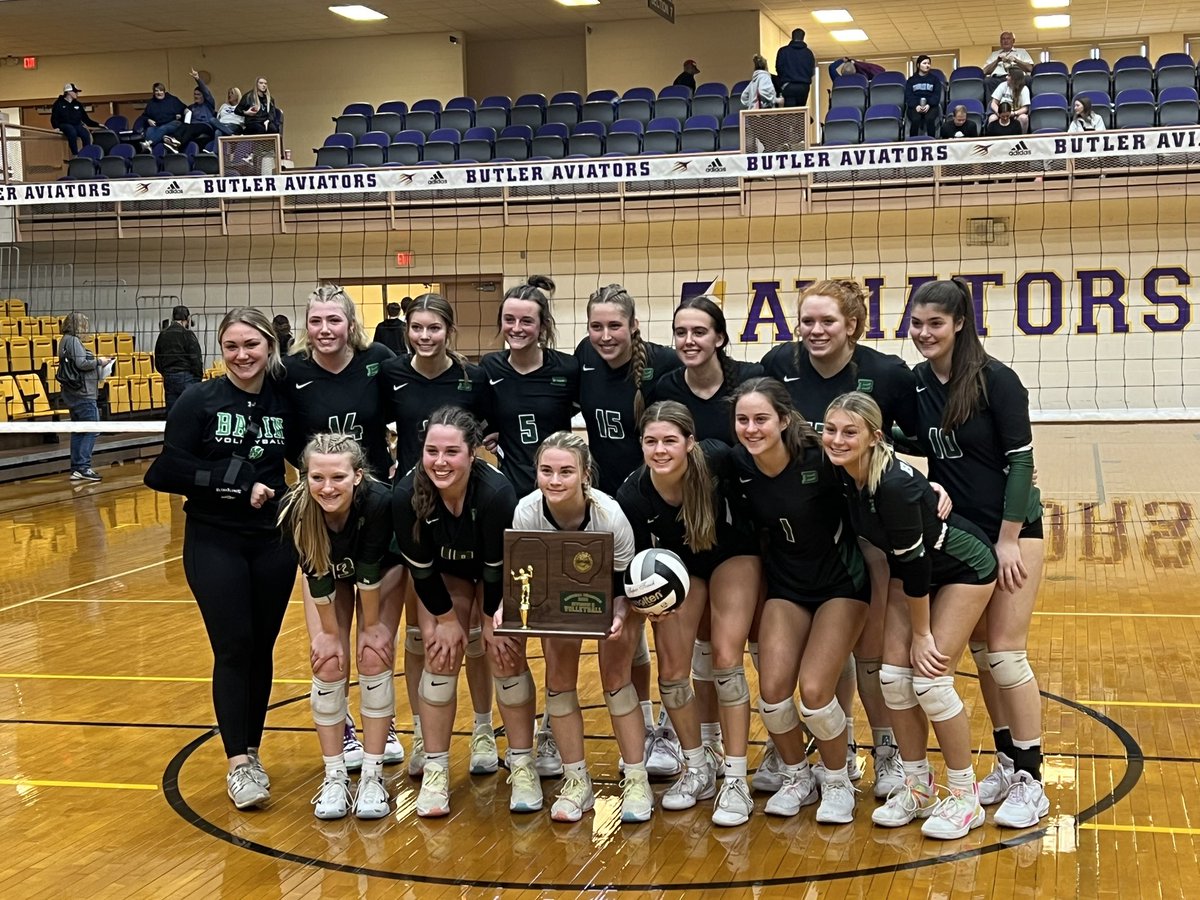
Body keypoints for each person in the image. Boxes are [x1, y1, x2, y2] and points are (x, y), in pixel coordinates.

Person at [760, 279, 917, 798]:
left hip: (867, 530)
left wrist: (927, 482)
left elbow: (919, 439)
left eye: (827, 321)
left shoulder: (887, 373)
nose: (815, 330)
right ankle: (840, 748)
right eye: (807, 320)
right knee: (830, 659)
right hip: (808, 531)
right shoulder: (779, 365)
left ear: (851, 325)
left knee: (870, 653)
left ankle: (888, 750)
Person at [823, 392, 998, 839]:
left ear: (875, 438)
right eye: (831, 430)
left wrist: (922, 634)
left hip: (963, 567)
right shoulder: (841, 468)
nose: (837, 440)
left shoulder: (894, 487)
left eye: (850, 432)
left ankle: (965, 797)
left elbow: (918, 567)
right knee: (893, 681)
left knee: (932, 682)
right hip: (913, 570)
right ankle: (917, 786)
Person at [907, 278, 1048, 830]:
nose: (923, 334)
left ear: (960, 323)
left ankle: (1033, 780)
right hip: (963, 537)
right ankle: (1008, 762)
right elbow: (922, 438)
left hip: (1012, 532)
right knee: (986, 656)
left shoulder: (998, 381)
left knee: (1008, 655)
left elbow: (1019, 462)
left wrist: (1009, 537)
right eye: (916, 324)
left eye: (934, 324)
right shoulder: (920, 383)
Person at [143, 307, 296, 810]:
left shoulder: (284, 397)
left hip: (273, 539)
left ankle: (253, 751)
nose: (242, 355)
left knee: (263, 647)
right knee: (234, 645)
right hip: (214, 538)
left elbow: (310, 451)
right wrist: (232, 480)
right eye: (232, 345)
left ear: (269, 346)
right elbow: (164, 470)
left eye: (251, 344)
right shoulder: (200, 398)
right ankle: (237, 764)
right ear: (220, 349)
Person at [729, 377, 868, 824]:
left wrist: (934, 491)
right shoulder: (738, 465)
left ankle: (836, 781)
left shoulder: (821, 461)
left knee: (812, 693)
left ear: (784, 420)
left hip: (839, 586)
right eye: (742, 420)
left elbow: (875, 477)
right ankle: (797, 776)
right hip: (787, 587)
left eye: (761, 419)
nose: (751, 429)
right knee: (772, 694)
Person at [617, 402, 762, 826]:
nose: (660, 450)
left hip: (734, 556)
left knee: (725, 660)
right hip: (679, 572)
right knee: (673, 673)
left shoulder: (718, 460)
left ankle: (735, 779)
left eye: (669, 441)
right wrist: (647, 602)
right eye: (651, 441)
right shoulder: (634, 493)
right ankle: (698, 766)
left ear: (689, 443)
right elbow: (636, 559)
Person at [280, 286, 402, 768]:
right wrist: (323, 483)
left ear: (351, 324)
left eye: (335, 320)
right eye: (316, 321)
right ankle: (344, 731)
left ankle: (380, 723)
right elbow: (282, 436)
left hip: (372, 510)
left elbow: (410, 411)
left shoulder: (379, 361)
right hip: (322, 516)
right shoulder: (291, 373)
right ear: (306, 327)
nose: (325, 329)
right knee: (328, 647)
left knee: (374, 645)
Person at [392, 406, 529, 817]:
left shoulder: (497, 494)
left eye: (452, 451)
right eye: (432, 450)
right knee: (441, 652)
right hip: (445, 573)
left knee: (505, 652)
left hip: (498, 572)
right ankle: (435, 770)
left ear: (473, 454)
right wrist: (448, 621)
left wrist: (491, 622)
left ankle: (520, 763)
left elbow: (496, 570)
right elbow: (423, 572)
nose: (440, 461)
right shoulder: (406, 495)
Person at [381, 293, 493, 779]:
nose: (424, 336)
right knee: (419, 636)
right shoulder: (391, 374)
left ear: (450, 331)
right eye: (417, 327)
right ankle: (422, 737)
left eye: (434, 328)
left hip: (466, 509)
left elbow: (488, 434)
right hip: (415, 508)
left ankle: (485, 729)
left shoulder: (473, 378)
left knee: (477, 634)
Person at [511, 431, 647, 823]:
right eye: (546, 471)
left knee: (616, 678)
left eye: (566, 472)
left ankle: (635, 779)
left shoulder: (610, 515)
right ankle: (577, 781)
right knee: (559, 679)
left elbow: (624, 585)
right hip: (558, 594)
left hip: (610, 595)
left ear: (585, 474)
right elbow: (528, 579)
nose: (555, 480)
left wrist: (620, 616)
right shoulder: (527, 511)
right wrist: (512, 611)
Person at [575, 284, 681, 774]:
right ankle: (642, 728)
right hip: (604, 515)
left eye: (614, 325)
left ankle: (680, 732)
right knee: (623, 628)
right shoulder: (584, 360)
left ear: (634, 326)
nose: (604, 335)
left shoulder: (661, 364)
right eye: (596, 326)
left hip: (654, 507)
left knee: (669, 621)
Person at [278, 432, 405, 820]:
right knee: (328, 662)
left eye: (337, 478)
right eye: (317, 478)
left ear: (358, 476)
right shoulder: (296, 509)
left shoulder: (381, 502)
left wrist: (372, 629)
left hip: (383, 568)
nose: (327, 487)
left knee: (371, 656)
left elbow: (368, 571)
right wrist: (330, 635)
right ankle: (334, 775)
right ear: (305, 478)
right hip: (330, 572)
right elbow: (317, 572)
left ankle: (372, 775)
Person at [480, 279, 578, 498]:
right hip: (511, 485)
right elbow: (482, 411)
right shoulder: (490, 367)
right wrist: (492, 430)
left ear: (543, 325)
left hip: (559, 484)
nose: (516, 328)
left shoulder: (567, 368)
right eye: (509, 320)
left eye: (526, 321)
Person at [650, 295, 763, 445]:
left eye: (699, 332)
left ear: (719, 339)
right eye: (681, 333)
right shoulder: (667, 388)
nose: (689, 341)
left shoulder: (751, 379)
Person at [59, 312, 112, 482]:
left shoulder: (65, 340)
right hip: (83, 393)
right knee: (91, 429)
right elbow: (81, 364)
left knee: (79, 431)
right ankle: (83, 467)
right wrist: (100, 362)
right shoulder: (73, 341)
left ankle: (77, 468)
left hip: (74, 393)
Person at [154, 304, 203, 413]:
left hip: (168, 377)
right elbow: (196, 358)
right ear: (188, 319)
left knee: (172, 412)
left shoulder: (163, 334)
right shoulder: (187, 334)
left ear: (173, 317)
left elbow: (157, 358)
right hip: (186, 377)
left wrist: (165, 373)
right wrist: (198, 378)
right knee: (189, 411)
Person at [164, 69, 219, 151]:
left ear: (203, 96)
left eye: (198, 94)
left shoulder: (209, 104)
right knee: (184, 126)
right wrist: (181, 114)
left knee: (190, 129)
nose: (196, 96)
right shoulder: (191, 107)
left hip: (206, 126)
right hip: (192, 126)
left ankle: (177, 144)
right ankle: (174, 141)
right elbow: (185, 120)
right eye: (195, 94)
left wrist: (197, 79)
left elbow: (206, 92)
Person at [50, 83, 99, 157]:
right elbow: (54, 117)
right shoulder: (58, 103)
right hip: (64, 124)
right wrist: (56, 127)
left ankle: (86, 154)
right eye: (75, 92)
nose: (77, 94)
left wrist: (97, 124)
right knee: (71, 131)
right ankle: (75, 154)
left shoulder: (78, 104)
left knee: (85, 133)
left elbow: (85, 119)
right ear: (69, 92)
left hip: (76, 124)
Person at [775, 29, 816, 108]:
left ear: (792, 37)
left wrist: (784, 79)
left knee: (790, 113)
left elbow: (778, 68)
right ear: (803, 38)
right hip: (804, 87)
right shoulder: (808, 53)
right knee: (800, 112)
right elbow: (812, 71)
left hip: (788, 86)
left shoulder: (783, 51)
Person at [905, 55, 943, 138]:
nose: (927, 65)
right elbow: (909, 96)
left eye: (929, 63)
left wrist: (929, 104)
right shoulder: (911, 80)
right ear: (918, 65)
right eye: (924, 63)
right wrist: (916, 106)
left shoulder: (935, 79)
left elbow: (936, 96)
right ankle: (913, 142)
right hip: (914, 106)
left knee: (930, 119)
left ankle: (932, 141)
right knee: (915, 119)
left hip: (931, 106)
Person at [143, 82, 187, 147]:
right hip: (157, 125)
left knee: (163, 128)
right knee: (149, 131)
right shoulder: (151, 103)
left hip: (173, 123)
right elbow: (144, 115)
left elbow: (185, 109)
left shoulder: (172, 100)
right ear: (154, 92)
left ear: (164, 91)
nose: (159, 93)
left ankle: (149, 144)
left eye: (161, 90)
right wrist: (148, 120)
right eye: (156, 91)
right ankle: (151, 151)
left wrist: (181, 115)